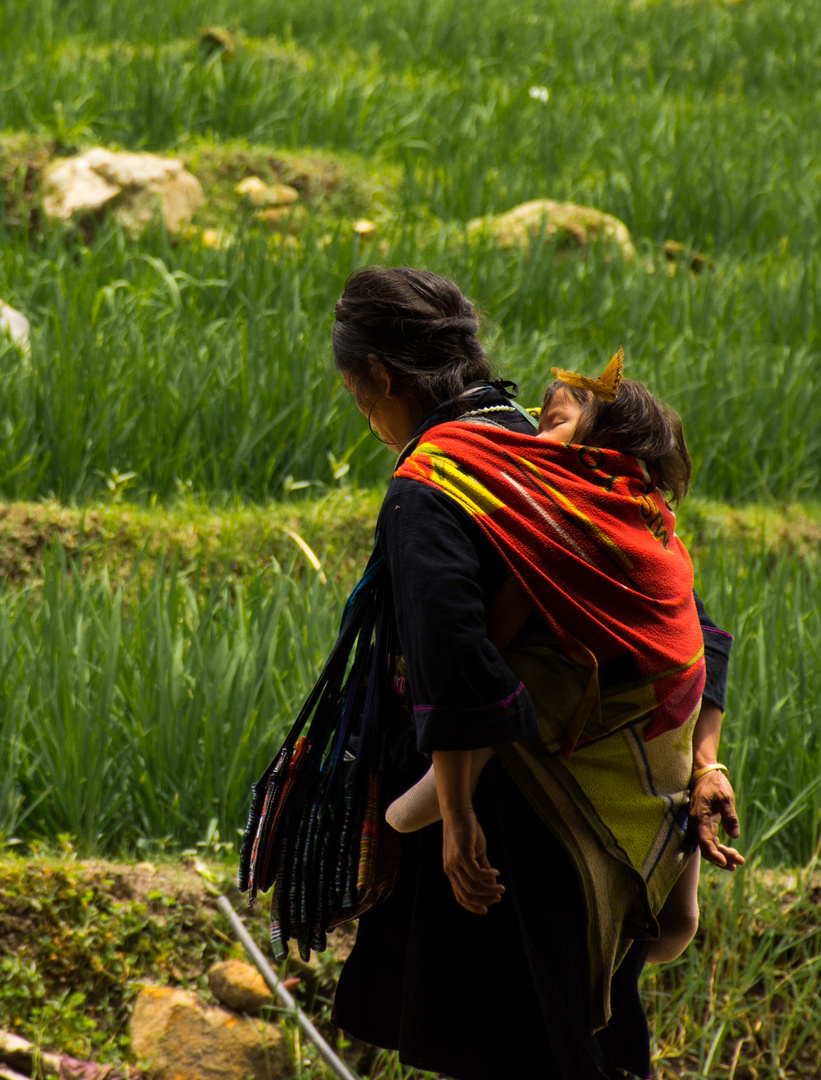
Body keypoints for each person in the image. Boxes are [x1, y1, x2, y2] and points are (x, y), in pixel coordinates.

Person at [329, 266, 739, 1080]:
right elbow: (689, 619)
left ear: (380, 378)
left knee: (518, 1044)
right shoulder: (557, 456)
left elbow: (455, 660)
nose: (361, 410)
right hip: (617, 811)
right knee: (584, 1033)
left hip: (516, 823)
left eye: (356, 392)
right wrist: (703, 761)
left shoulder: (435, 481)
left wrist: (454, 820)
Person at [384, 362, 745, 963]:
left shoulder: (565, 512)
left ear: (600, 447)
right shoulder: (652, 522)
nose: (534, 437)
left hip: (625, 690)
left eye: (554, 423)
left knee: (507, 688)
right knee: (677, 922)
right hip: (672, 697)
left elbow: (497, 629)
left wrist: (477, 646)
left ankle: (446, 788)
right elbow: (705, 630)